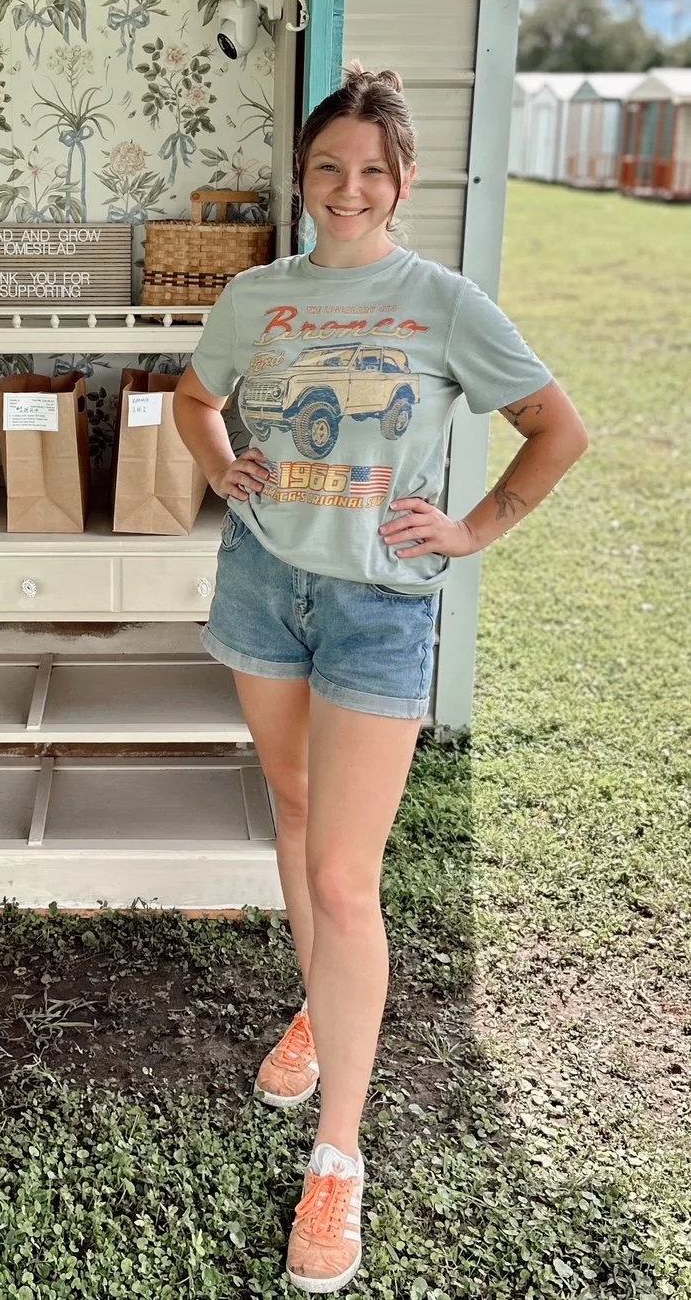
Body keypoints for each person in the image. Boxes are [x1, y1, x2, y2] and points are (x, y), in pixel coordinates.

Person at [173, 65, 588, 1294]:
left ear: (402, 182)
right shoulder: (256, 295)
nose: (346, 189)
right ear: (302, 178)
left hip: (377, 608)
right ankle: (317, 1008)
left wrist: (472, 528)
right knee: (295, 816)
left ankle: (338, 1155)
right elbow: (194, 399)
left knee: (345, 879)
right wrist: (224, 463)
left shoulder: (442, 303)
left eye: (370, 170)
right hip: (263, 587)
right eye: (327, 168)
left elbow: (556, 428)